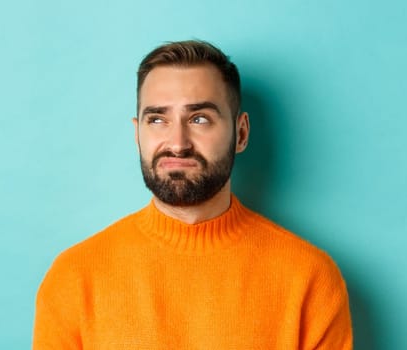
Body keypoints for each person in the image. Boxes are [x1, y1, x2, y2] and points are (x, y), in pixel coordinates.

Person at [32, 40, 353, 349]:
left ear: (241, 134)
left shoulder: (309, 278)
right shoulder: (74, 277)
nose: (177, 142)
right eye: (157, 119)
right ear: (137, 134)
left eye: (199, 118)